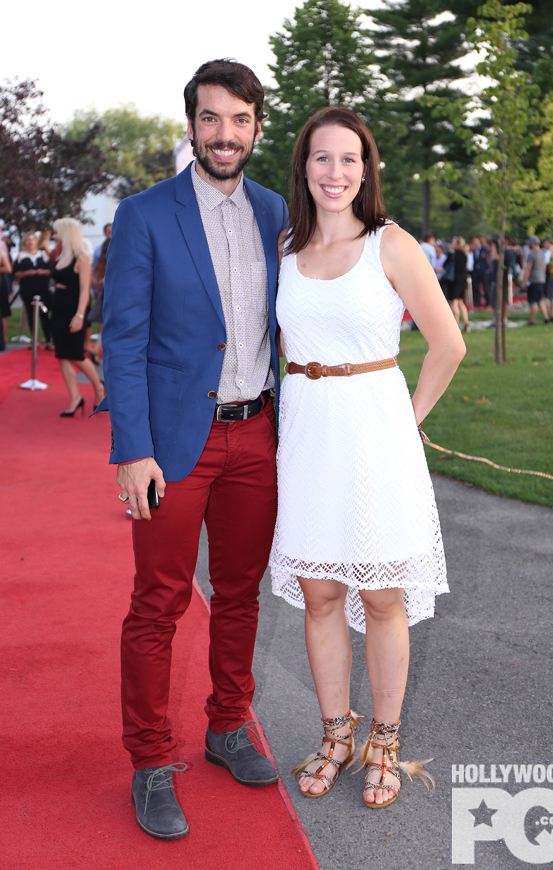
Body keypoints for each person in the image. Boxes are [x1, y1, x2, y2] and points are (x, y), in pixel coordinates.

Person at [99, 59, 288, 841]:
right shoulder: (144, 214)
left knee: (240, 595)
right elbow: (125, 338)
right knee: (159, 603)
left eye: (239, 120)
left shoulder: (277, 209)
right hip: (176, 444)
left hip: (257, 435)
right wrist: (131, 449)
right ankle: (149, 761)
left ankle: (227, 727)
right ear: (191, 125)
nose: (224, 134)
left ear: (254, 128)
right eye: (211, 118)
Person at [269, 107, 465, 809]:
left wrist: (405, 423)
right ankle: (336, 733)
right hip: (309, 435)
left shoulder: (391, 244)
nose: (336, 172)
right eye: (322, 158)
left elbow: (448, 345)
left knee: (381, 595)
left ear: (367, 168)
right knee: (319, 593)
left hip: (375, 438)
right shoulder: (286, 247)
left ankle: (386, 738)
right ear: (304, 168)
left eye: (349, 159)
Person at [51, 218, 105, 416]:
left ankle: (99, 388)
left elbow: (85, 289)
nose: (53, 236)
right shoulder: (62, 255)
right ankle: (75, 398)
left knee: (75, 354)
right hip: (58, 310)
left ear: (66, 233)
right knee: (62, 355)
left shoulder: (82, 257)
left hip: (74, 310)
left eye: (56, 232)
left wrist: (80, 315)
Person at [12, 232, 53, 347]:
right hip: (27, 288)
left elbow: (52, 271)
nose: (30, 242)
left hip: (43, 288)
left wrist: (42, 272)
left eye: (32, 239)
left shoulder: (43, 254)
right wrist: (25, 273)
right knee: (31, 314)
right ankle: (35, 340)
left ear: (36, 241)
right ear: (24, 242)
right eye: (28, 240)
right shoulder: (20, 256)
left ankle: (49, 340)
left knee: (45, 314)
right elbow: (14, 274)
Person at [521, 235, 549, 325]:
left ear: (532, 243)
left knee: (533, 301)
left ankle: (532, 321)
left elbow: (528, 269)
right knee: (540, 300)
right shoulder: (542, 253)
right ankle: (546, 319)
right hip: (542, 279)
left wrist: (524, 281)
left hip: (534, 280)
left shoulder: (532, 254)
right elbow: (544, 267)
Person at [445, 236, 471, 332]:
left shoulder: (453, 255)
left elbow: (445, 264)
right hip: (463, 279)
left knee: (454, 302)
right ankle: (466, 323)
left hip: (454, 279)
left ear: (457, 244)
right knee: (460, 301)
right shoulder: (464, 255)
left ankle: (456, 324)